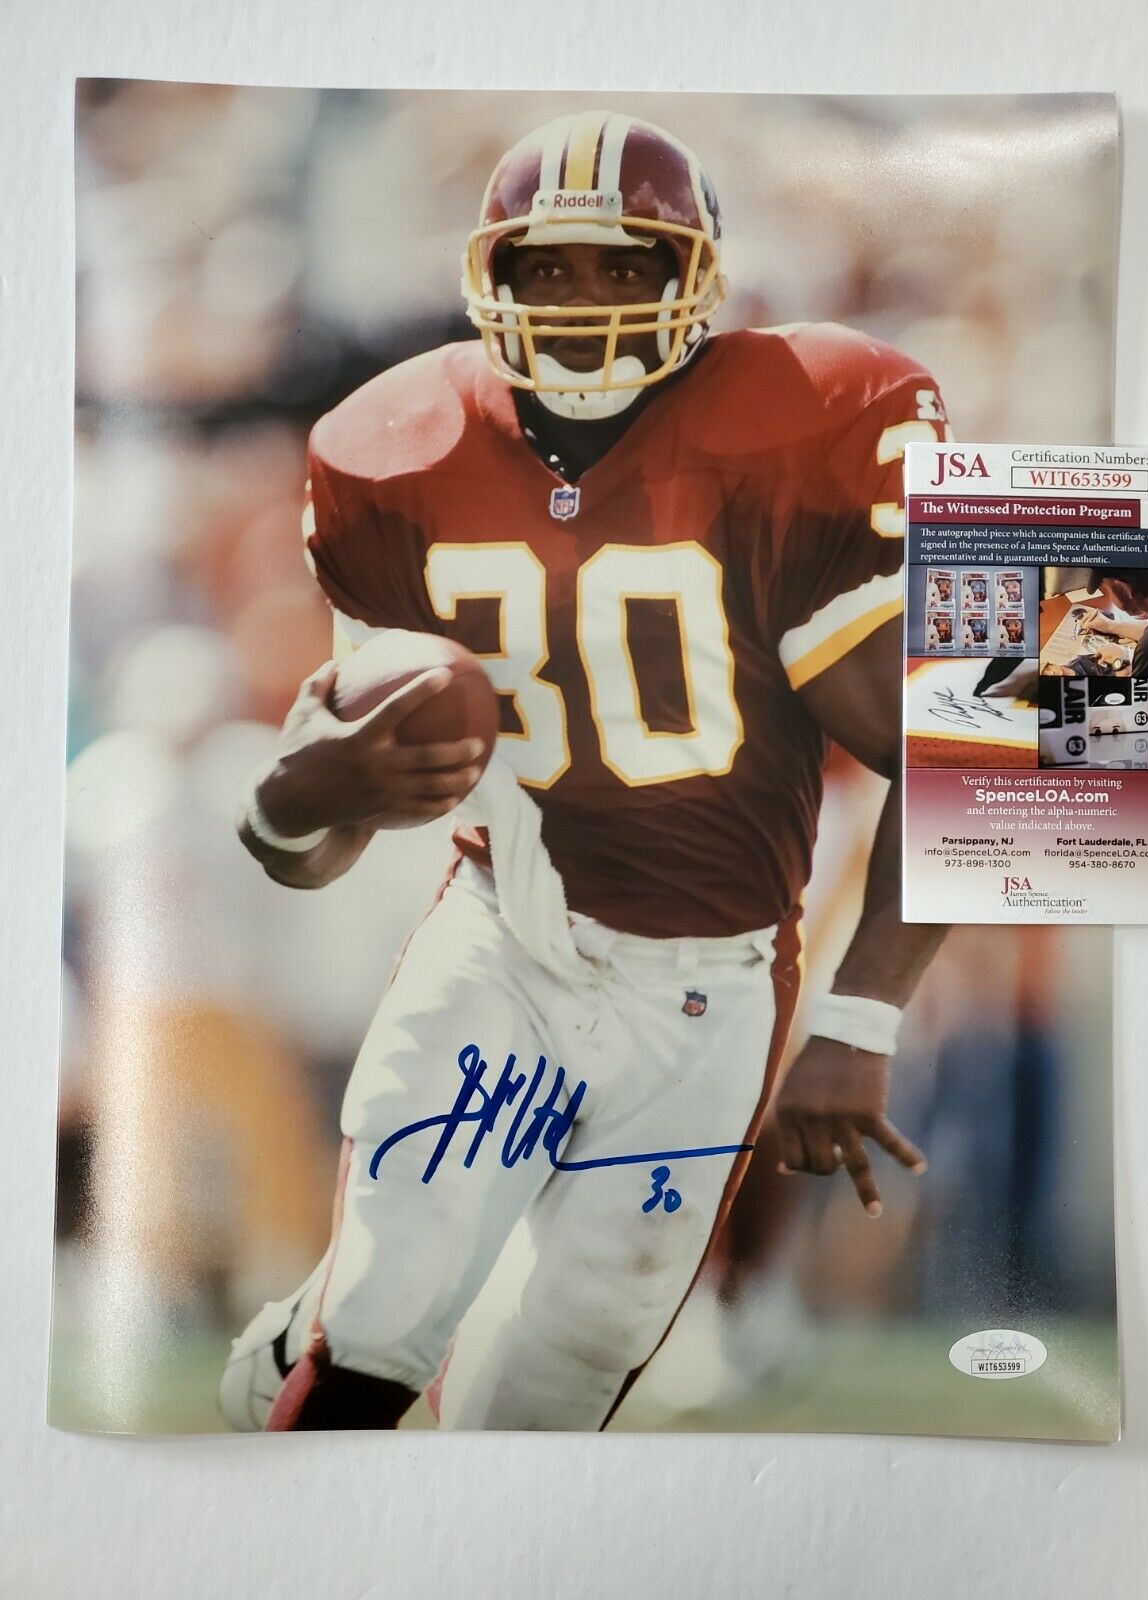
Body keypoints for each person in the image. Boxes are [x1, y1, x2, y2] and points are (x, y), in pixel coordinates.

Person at [220, 110, 952, 1433]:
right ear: (487, 278)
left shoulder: (802, 426)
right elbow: (309, 839)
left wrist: (859, 1020)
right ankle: (322, 1404)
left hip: (712, 983)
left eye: (625, 262)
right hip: (506, 936)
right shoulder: (398, 445)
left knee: (560, 1374)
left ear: (698, 281)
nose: (584, 296)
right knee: (389, 1307)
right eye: (547, 264)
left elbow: (992, 746)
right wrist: (302, 798)